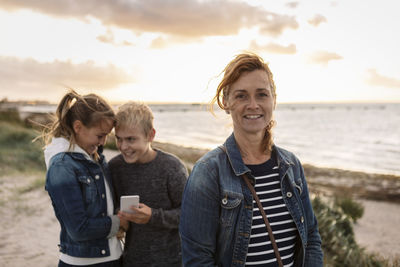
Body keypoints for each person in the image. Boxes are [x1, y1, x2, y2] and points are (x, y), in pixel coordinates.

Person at [179, 53, 323, 267]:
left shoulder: (291, 165)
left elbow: (310, 237)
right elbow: (197, 260)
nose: (253, 105)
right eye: (241, 96)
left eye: (262, 94)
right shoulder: (208, 172)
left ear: (273, 99)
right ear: (226, 102)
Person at [43, 90, 128, 267]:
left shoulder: (95, 157)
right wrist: (119, 223)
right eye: (100, 135)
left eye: (107, 135)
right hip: (85, 262)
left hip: (113, 256)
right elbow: (78, 230)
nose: (103, 142)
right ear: (78, 127)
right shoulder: (61, 166)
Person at [109, 102, 188, 266]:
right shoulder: (115, 167)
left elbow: (190, 215)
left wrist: (153, 216)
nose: (123, 147)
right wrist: (119, 221)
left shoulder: (172, 168)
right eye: (119, 139)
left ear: (150, 135)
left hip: (171, 261)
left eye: (131, 139)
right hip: (131, 260)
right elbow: (112, 207)